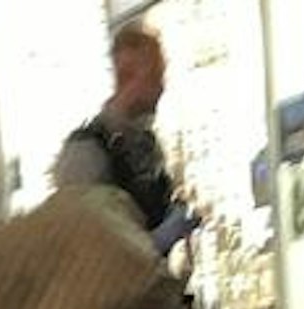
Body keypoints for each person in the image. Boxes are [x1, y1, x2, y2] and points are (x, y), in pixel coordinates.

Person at [52, 24, 198, 258]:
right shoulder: (85, 153)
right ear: (127, 76)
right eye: (154, 76)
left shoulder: (145, 143)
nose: (162, 86)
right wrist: (159, 239)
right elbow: (86, 255)